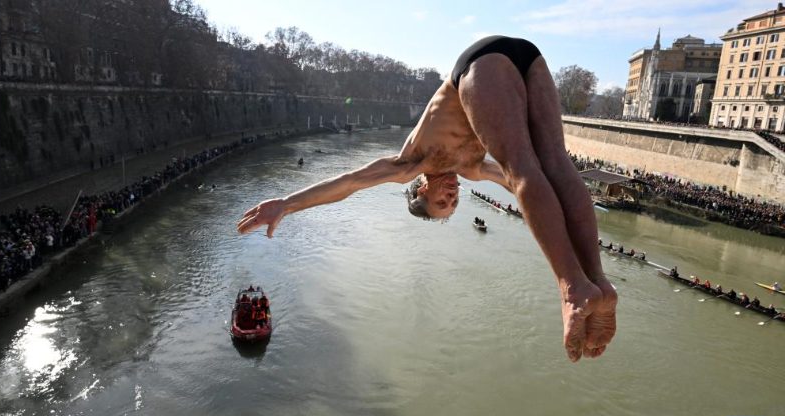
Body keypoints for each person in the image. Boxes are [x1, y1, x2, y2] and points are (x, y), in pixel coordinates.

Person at [237, 36, 617, 362]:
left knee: (522, 167)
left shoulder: (411, 163)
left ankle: (572, 289)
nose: (452, 197)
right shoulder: (473, 170)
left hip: (482, 64)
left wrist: (287, 203)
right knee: (556, 166)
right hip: (529, 59)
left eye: (441, 202)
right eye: (453, 205)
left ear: (421, 189)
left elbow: (350, 183)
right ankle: (597, 282)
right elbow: (544, 193)